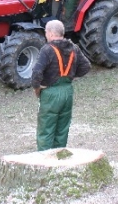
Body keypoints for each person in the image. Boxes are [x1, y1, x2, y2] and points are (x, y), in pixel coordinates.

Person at [31, 19, 91, 151]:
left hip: (50, 94)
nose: (46, 34)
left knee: (46, 130)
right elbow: (86, 66)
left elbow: (36, 73)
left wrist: (37, 88)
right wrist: (70, 77)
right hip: (67, 93)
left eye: (46, 32)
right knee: (62, 130)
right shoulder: (74, 48)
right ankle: (59, 160)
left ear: (52, 33)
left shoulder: (47, 50)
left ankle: (45, 163)